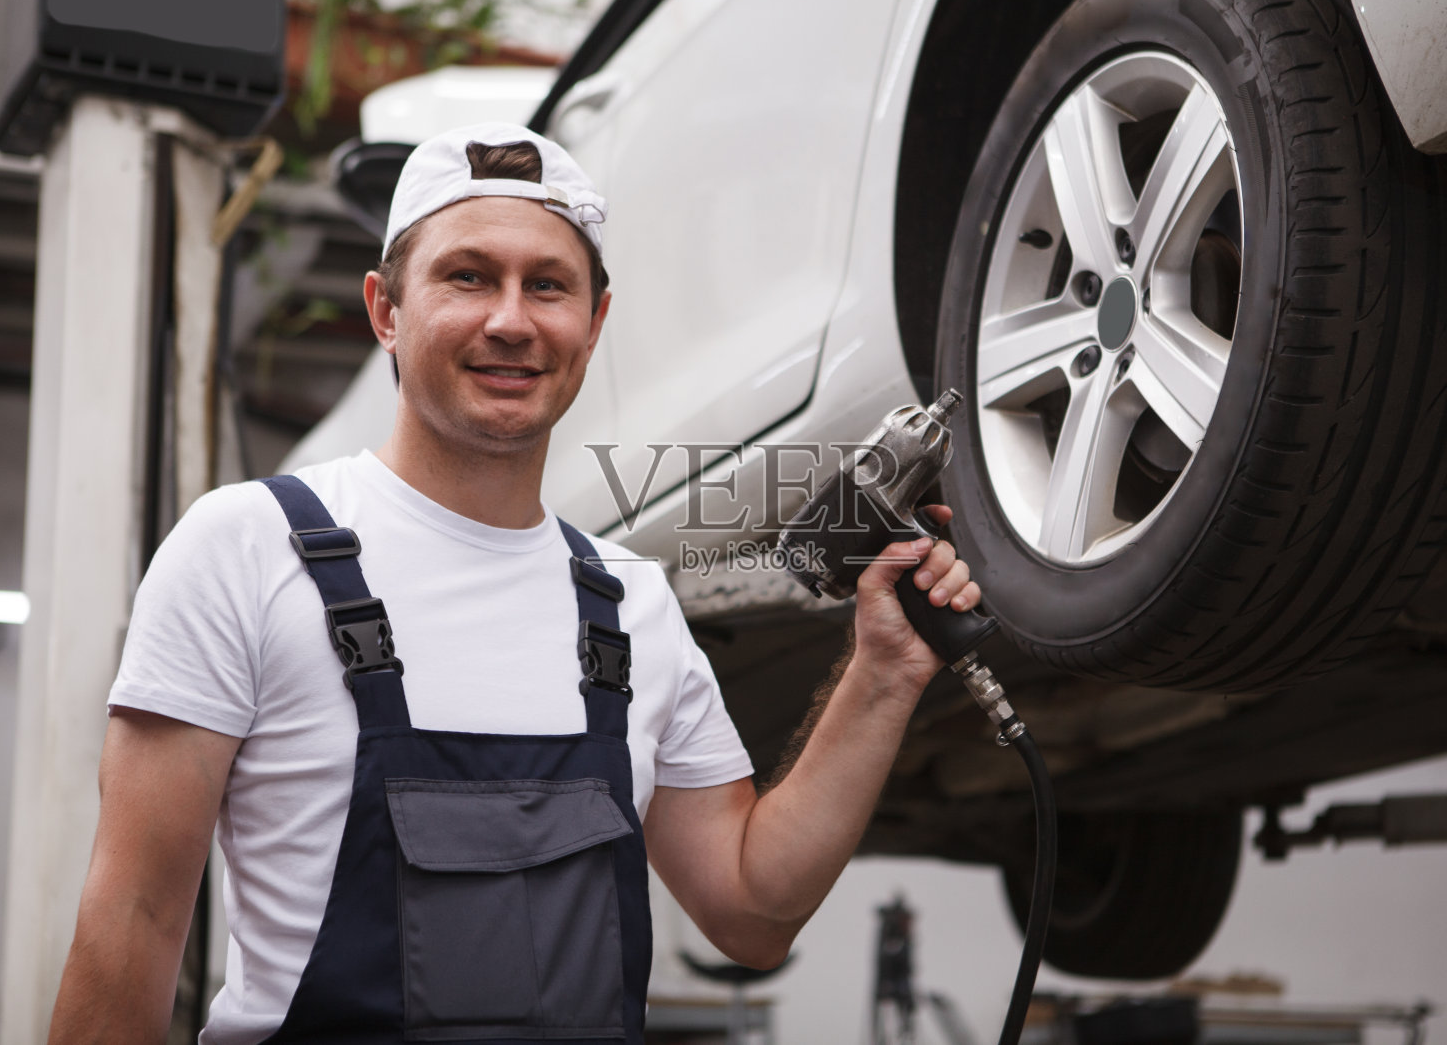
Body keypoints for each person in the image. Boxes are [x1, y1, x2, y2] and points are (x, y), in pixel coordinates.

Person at [48, 122, 982, 1045]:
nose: (511, 320)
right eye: (468, 276)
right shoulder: (247, 549)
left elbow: (751, 910)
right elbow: (133, 920)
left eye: (547, 285)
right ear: (385, 310)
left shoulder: (631, 605)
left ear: (594, 323)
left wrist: (882, 672)